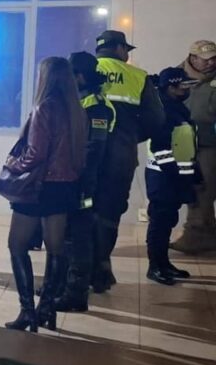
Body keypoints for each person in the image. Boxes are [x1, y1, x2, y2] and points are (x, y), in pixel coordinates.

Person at [0, 58, 87, 332]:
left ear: (45, 77)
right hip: (64, 187)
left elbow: (35, 153)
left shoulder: (44, 107)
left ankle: (27, 311)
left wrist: (13, 164)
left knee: (16, 245)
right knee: (56, 248)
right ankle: (47, 307)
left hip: (38, 187)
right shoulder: (76, 110)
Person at [92, 30, 164, 293]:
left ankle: (76, 271)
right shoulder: (138, 76)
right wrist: (131, 136)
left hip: (84, 156)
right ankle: (101, 268)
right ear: (120, 48)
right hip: (120, 157)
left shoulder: (82, 70)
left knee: (81, 211)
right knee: (109, 212)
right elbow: (156, 120)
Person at [55, 52, 115, 313]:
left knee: (77, 237)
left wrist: (80, 183)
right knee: (67, 234)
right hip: (74, 178)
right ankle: (61, 285)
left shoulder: (96, 107)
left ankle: (75, 293)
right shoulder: (81, 101)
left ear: (80, 77)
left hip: (84, 181)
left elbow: (93, 150)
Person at [145, 67, 199, 285]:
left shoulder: (177, 109)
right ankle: (155, 267)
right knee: (159, 223)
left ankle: (164, 264)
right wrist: (176, 175)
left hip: (174, 177)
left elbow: (185, 144)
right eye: (182, 87)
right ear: (170, 88)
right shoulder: (163, 111)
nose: (186, 90)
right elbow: (160, 149)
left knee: (167, 221)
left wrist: (194, 175)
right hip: (164, 177)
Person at [172, 40, 216, 254]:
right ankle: (204, 234)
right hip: (183, 141)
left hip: (210, 143)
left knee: (205, 187)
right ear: (192, 58)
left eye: (214, 59)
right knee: (190, 187)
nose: (211, 63)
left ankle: (196, 235)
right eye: (205, 59)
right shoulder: (176, 77)